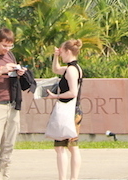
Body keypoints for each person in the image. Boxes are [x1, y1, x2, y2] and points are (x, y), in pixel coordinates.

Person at [0, 28, 35, 180]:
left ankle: (3, 177)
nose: (7, 49)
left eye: (10, 46)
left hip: (13, 105)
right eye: (4, 45)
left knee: (8, 147)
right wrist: (0, 71)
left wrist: (19, 72)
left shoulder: (10, 56)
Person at [46, 39, 84, 180]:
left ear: (68, 52)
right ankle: (63, 177)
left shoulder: (72, 71)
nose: (61, 54)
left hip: (71, 111)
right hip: (68, 111)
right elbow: (56, 69)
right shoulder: (72, 68)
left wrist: (55, 96)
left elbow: (73, 92)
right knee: (61, 147)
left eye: (62, 52)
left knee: (72, 147)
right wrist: (55, 56)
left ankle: (72, 177)